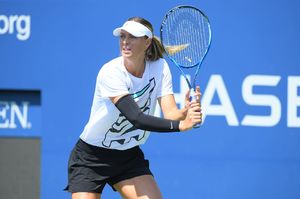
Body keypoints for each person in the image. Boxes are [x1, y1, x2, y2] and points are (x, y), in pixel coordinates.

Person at [65, 16, 202, 199]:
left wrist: (184, 112)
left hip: (128, 156)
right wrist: (180, 126)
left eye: (132, 37)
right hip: (91, 157)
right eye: (122, 36)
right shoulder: (111, 72)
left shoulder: (160, 67)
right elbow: (136, 118)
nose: (125, 42)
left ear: (147, 42)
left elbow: (170, 113)